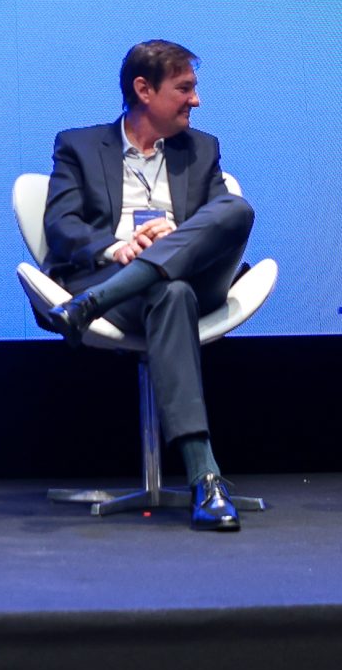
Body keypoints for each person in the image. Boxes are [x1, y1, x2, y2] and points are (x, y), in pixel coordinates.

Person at [44, 40, 259, 531]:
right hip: (125, 280)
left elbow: (218, 222)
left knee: (236, 209)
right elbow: (60, 224)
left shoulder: (202, 149)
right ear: (144, 90)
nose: (195, 100)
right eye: (184, 88)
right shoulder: (78, 146)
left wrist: (175, 235)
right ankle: (206, 478)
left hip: (191, 278)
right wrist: (118, 247)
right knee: (170, 293)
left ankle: (87, 306)